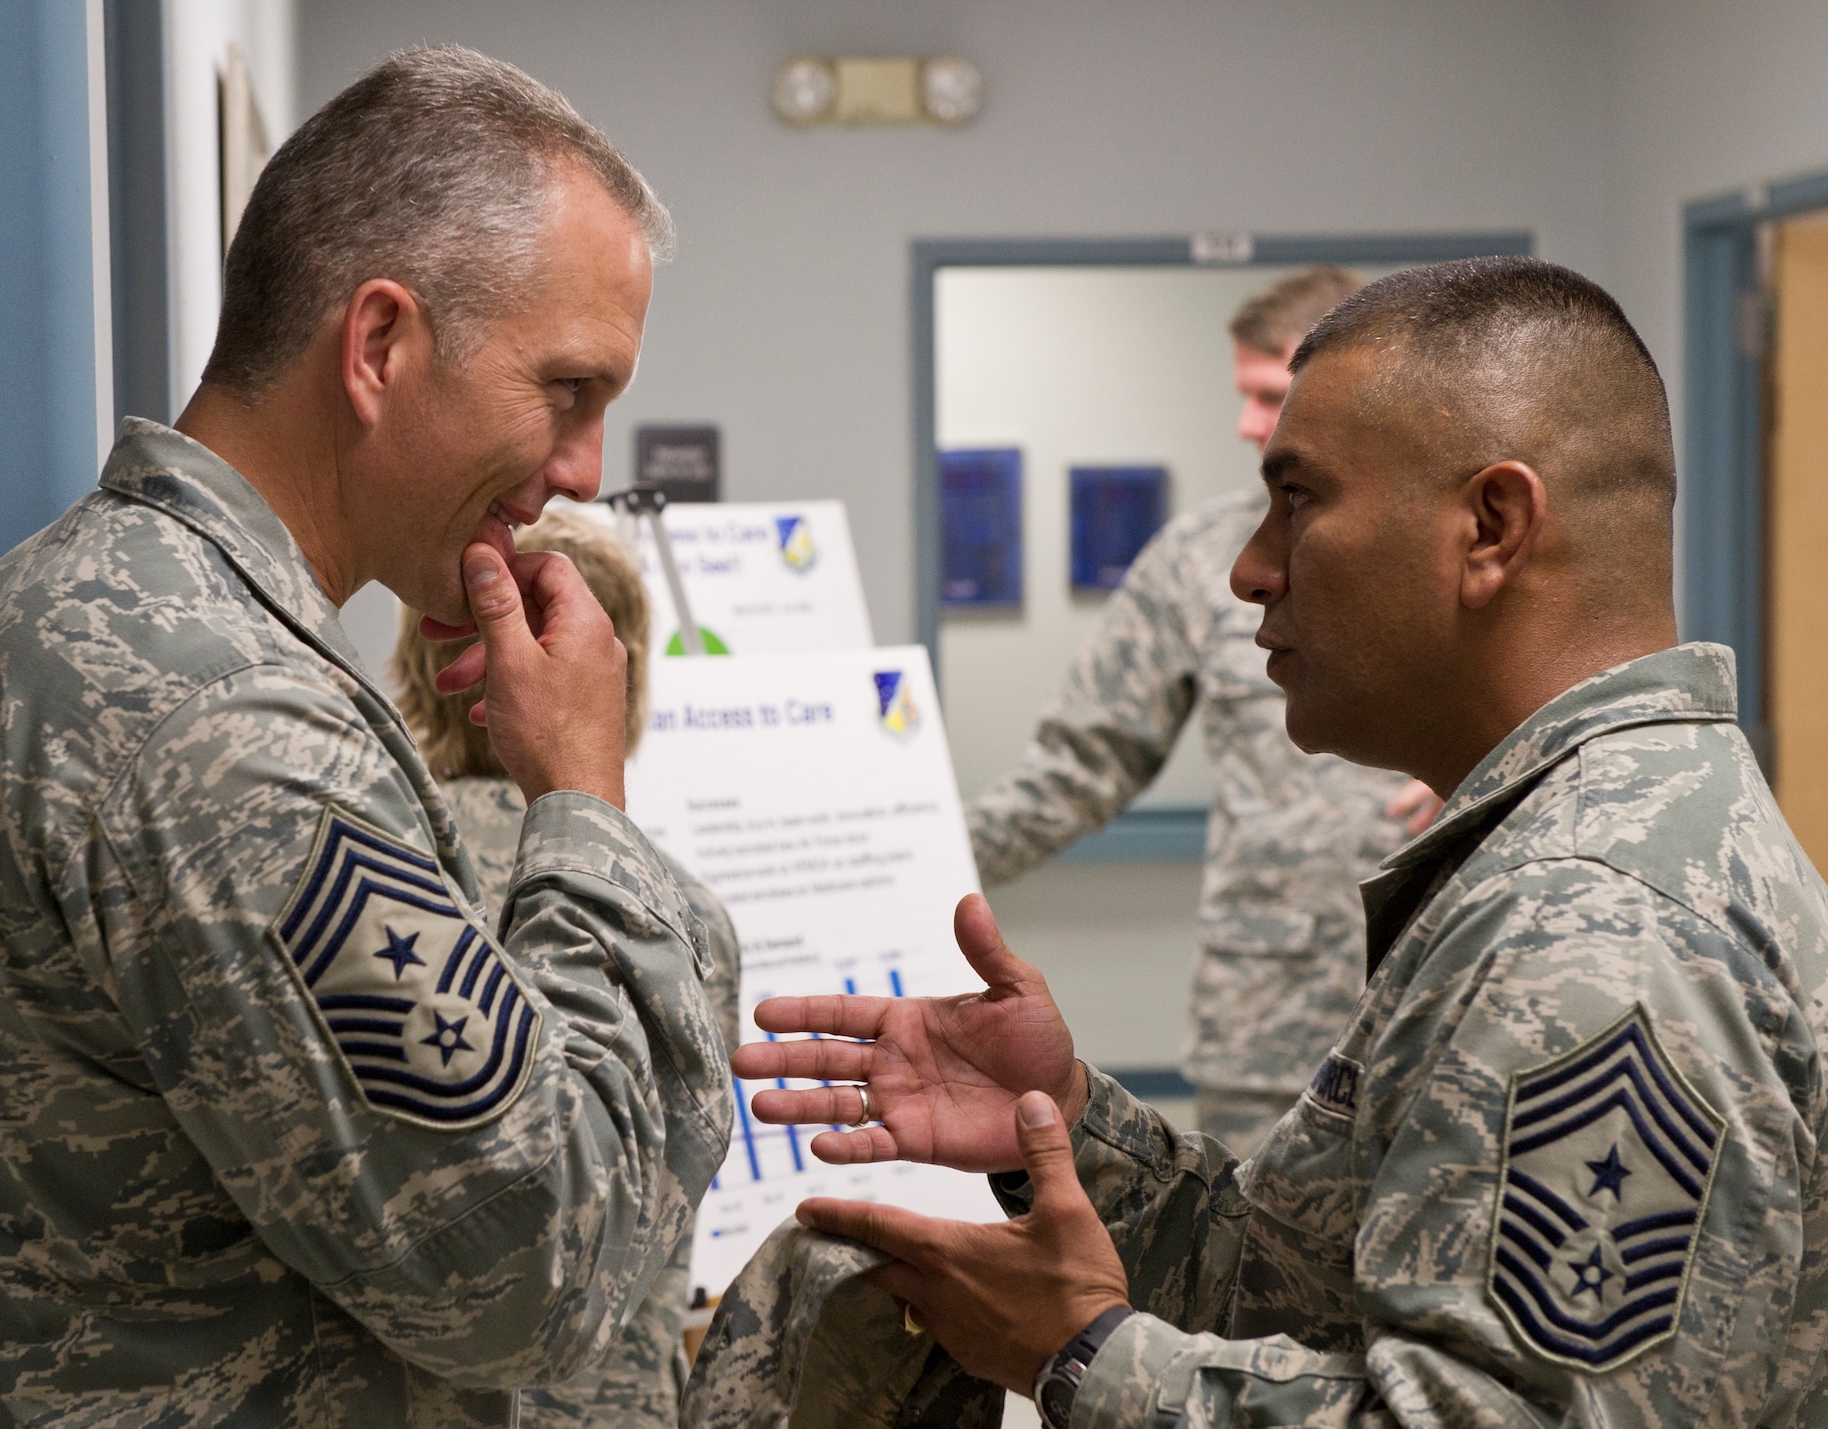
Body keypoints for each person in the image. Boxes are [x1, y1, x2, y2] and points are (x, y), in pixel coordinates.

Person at [711, 258, 1828, 1426]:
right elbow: (1301, 1289)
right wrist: (1067, 1119)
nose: (1250, 568)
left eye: (1297, 499)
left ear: (1490, 526)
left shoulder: (1597, 928)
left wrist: (1081, 1357)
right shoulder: (1572, 855)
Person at [0, 47, 732, 1426]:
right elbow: (540, 1278)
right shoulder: (229, 724)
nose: (585, 472)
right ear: (379, 347)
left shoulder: (50, 612)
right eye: (567, 390)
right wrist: (587, 810)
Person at [964, 266, 1436, 1155]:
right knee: (1259, 1272)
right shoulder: (1200, 561)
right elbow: (1080, 763)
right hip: (1269, 1015)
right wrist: (927, 861)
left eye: (1266, 396)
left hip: (1445, 988)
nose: (1248, 425)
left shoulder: (1457, 546)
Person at [391, 506, 742, 1428]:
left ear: (420, 673)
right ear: (614, 679)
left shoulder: (381, 879)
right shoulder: (689, 914)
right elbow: (675, 1188)